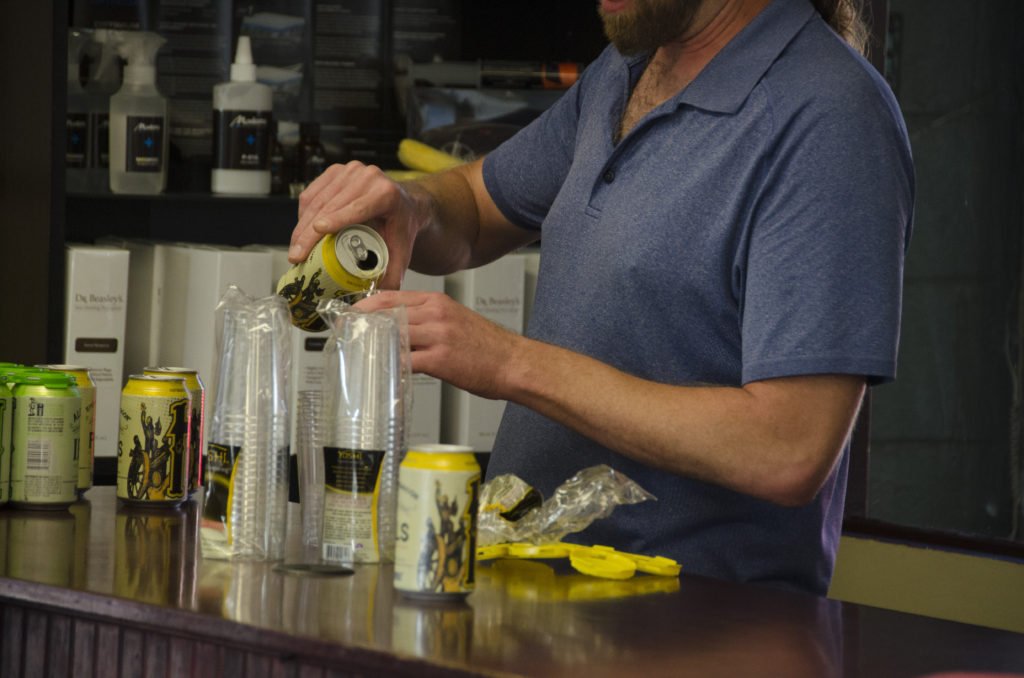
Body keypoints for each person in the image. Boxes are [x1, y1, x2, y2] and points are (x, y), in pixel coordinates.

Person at [288, 0, 914, 596]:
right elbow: (479, 210)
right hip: (536, 596)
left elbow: (788, 451)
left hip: (695, 626)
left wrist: (509, 363)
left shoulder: (833, 116)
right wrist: (413, 206)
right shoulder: (631, 67)